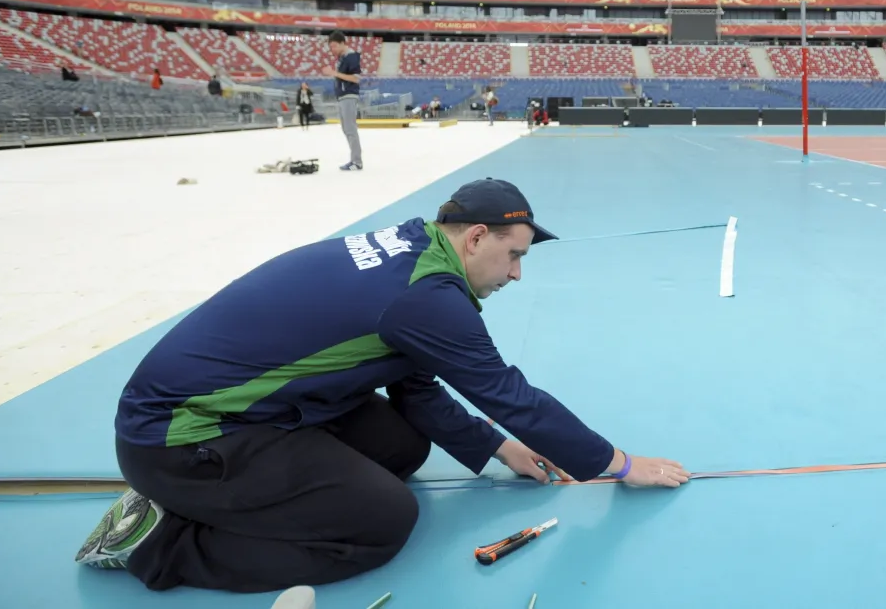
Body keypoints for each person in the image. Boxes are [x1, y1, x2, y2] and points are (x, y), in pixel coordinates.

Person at [75, 178, 687, 594]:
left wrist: (499, 448)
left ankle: (217, 494)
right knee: (380, 523)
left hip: (235, 408)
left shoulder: (413, 247)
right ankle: (160, 543)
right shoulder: (426, 298)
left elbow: (412, 381)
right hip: (182, 438)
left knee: (401, 446)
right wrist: (619, 463)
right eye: (514, 255)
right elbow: (508, 393)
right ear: (475, 239)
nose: (518, 273)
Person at [321, 32, 362, 170]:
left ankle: (357, 161)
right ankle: (354, 159)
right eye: (331, 47)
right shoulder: (342, 58)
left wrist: (335, 73)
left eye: (334, 46)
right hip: (343, 96)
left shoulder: (351, 57)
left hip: (349, 96)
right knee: (346, 129)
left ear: (343, 43)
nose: (333, 50)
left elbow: (356, 78)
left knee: (350, 129)